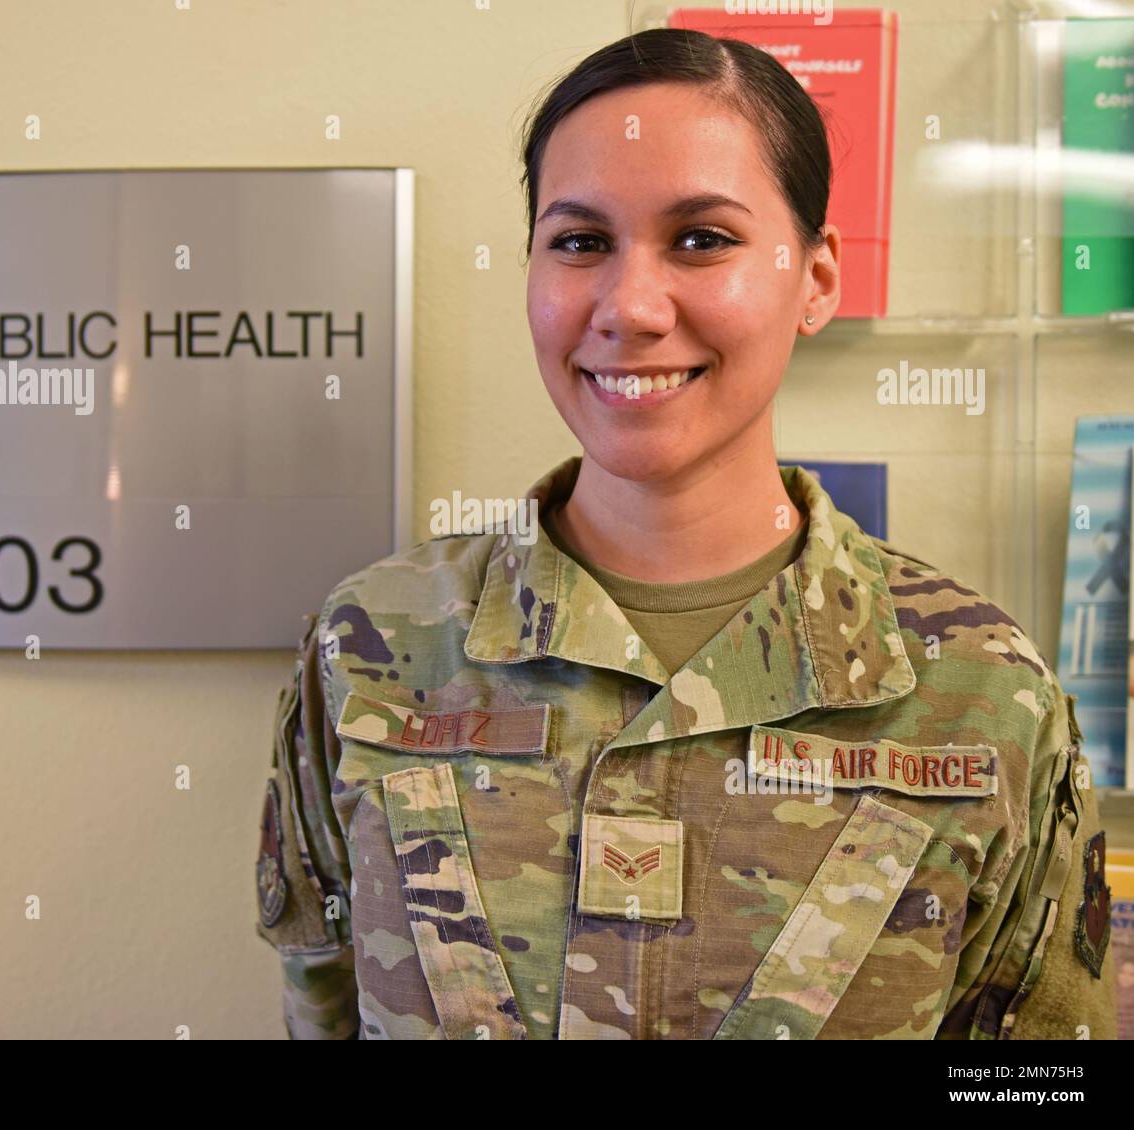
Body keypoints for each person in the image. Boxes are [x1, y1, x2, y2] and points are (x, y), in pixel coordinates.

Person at [254, 28, 1117, 1040]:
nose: (629, 306)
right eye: (579, 241)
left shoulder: (981, 691)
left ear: (818, 277)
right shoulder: (369, 650)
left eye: (702, 239)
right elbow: (323, 1013)